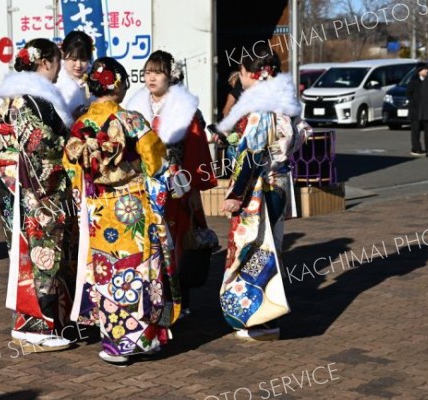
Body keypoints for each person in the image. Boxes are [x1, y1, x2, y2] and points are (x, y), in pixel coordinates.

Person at [64, 57, 178, 364]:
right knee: (140, 268)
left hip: (100, 211)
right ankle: (144, 338)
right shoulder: (132, 120)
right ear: (118, 85)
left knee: (108, 270)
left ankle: (117, 342)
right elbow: (156, 160)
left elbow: (72, 168)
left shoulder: (80, 125)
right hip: (134, 206)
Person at [0, 39, 75, 350]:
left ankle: (30, 321)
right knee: (41, 251)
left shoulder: (25, 96)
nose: (60, 69)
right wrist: (74, 148)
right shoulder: (29, 99)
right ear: (45, 62)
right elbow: (41, 144)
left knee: (26, 254)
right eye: (58, 62)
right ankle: (38, 323)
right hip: (33, 184)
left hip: (19, 181)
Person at [216, 46, 309, 341]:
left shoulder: (260, 108)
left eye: (242, 72)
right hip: (280, 181)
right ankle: (269, 318)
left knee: (251, 252)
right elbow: (302, 131)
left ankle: (257, 321)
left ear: (250, 74)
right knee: (271, 250)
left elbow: (252, 153)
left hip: (257, 187)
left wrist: (235, 193)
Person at [127, 50, 217, 317]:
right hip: (143, 184)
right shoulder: (135, 107)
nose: (151, 77)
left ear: (171, 75)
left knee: (176, 241)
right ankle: (153, 296)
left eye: (158, 72)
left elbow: (197, 150)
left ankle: (180, 299)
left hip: (177, 185)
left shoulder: (185, 109)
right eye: (148, 72)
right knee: (148, 240)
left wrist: (192, 189)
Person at [56, 30, 94, 120]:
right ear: (63, 54)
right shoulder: (55, 78)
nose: (78, 65)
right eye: (73, 59)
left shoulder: (94, 78)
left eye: (83, 59)